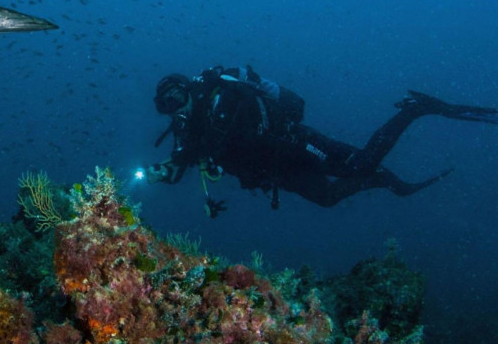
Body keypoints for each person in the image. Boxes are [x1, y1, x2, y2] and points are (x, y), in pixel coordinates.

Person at [145, 65, 498, 214]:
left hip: (293, 144)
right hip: (277, 172)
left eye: (176, 98)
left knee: (358, 163)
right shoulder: (188, 131)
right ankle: (387, 180)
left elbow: (241, 131)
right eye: (166, 107)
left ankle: (414, 110)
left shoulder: (222, 98)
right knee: (328, 198)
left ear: (188, 88)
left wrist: (198, 154)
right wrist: (164, 171)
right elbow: (182, 163)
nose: (174, 108)